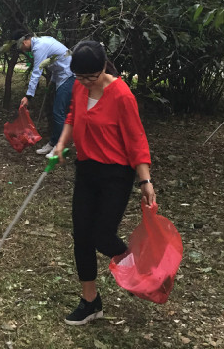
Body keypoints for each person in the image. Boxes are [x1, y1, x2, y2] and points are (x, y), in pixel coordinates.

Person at [49, 41, 155, 325]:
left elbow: (136, 139)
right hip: (86, 170)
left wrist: (145, 179)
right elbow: (72, 115)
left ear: (103, 67)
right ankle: (90, 302)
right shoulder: (79, 87)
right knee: (81, 235)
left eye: (90, 77)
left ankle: (141, 269)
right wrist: (61, 143)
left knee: (102, 236)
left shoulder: (121, 95)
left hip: (115, 175)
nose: (84, 83)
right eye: (79, 77)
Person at [12, 31, 74, 155]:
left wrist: (29, 96)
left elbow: (37, 71)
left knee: (59, 112)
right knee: (56, 111)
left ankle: (59, 146)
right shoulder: (40, 42)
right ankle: (53, 142)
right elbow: (56, 62)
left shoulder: (38, 47)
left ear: (24, 42)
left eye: (21, 47)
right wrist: (52, 81)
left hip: (69, 75)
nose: (23, 50)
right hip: (61, 76)